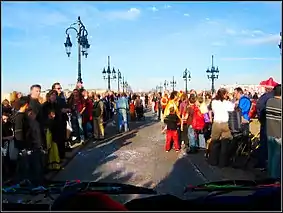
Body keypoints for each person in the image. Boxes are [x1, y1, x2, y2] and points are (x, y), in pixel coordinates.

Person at [208, 88, 234, 167]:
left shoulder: (214, 102)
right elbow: (233, 108)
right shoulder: (228, 103)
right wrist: (231, 98)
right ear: (224, 94)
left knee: (214, 142)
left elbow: (210, 109)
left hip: (216, 123)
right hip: (225, 124)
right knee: (225, 143)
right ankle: (223, 162)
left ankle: (213, 161)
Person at [266, 84, 281, 179]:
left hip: (269, 131)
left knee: (270, 154)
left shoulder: (269, 101)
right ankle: (274, 178)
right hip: (279, 133)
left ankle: (270, 173)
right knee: (277, 156)